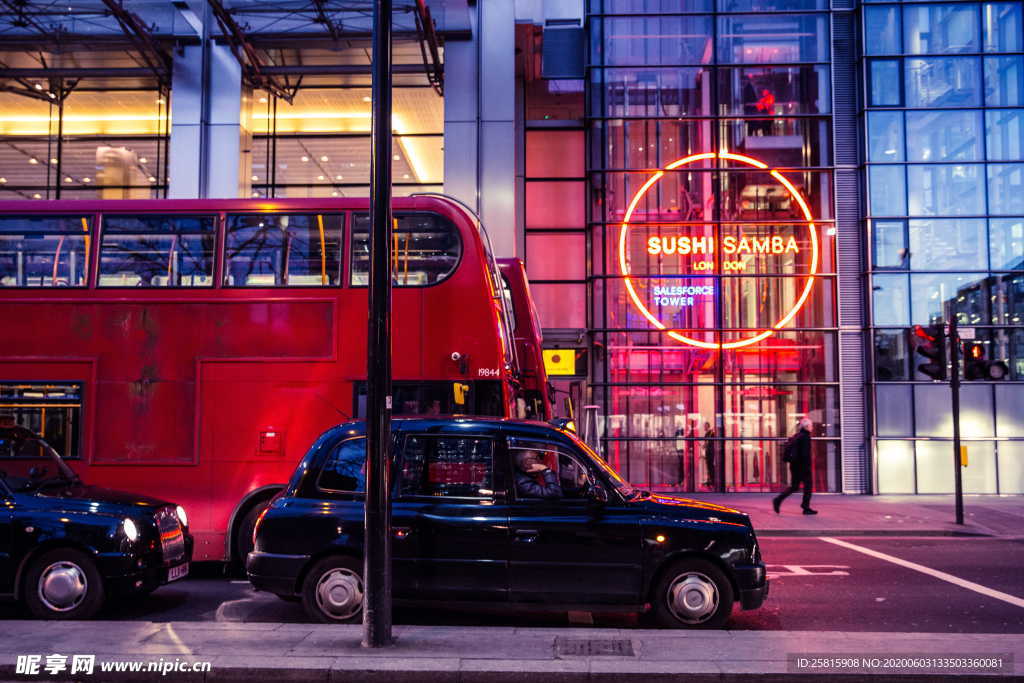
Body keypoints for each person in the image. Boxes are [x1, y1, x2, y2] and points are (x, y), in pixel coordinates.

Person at [773, 417, 817, 515]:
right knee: (808, 486)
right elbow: (804, 454)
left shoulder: (797, 435)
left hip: (795, 466)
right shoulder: (805, 437)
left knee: (794, 487)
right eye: (811, 425)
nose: (812, 427)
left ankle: (778, 500)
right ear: (807, 426)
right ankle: (805, 507)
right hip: (803, 466)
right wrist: (807, 467)